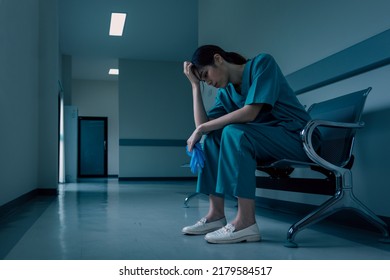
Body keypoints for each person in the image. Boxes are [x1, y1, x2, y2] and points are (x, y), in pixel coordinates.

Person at [182, 45, 320, 244]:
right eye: (203, 80)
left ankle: (246, 222)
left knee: (234, 132)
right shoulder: (226, 93)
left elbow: (250, 113)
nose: (208, 82)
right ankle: (215, 215)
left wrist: (201, 129)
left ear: (218, 59)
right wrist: (195, 87)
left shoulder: (262, 64)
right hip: (266, 142)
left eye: (205, 75)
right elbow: (204, 126)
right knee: (213, 137)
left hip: (299, 139)